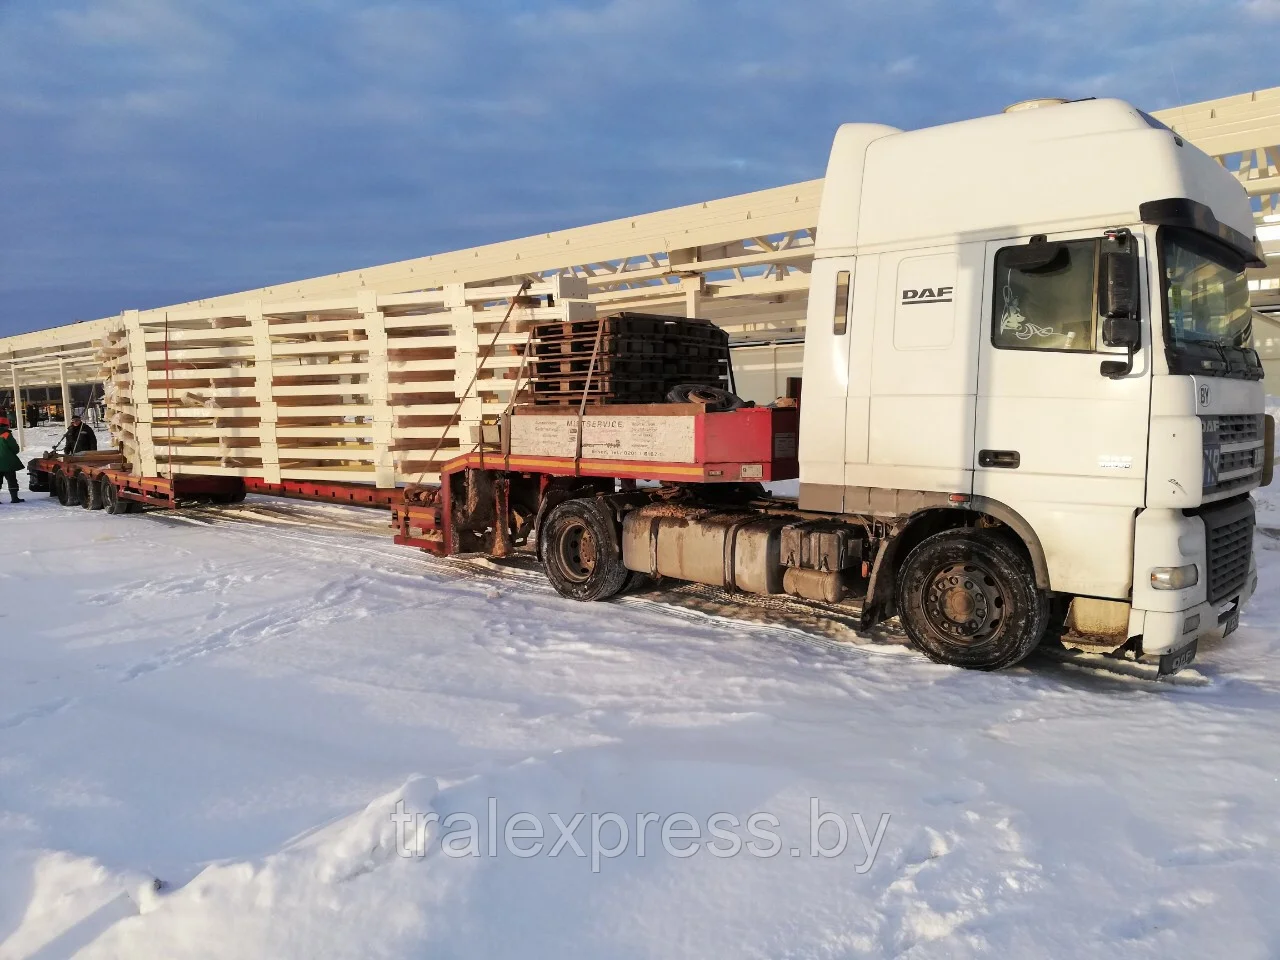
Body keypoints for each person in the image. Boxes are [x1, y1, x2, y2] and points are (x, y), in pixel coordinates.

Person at [0, 417, 24, 503]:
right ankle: (14, 498)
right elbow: (15, 448)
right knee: (12, 480)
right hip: (8, 463)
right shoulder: (6, 434)